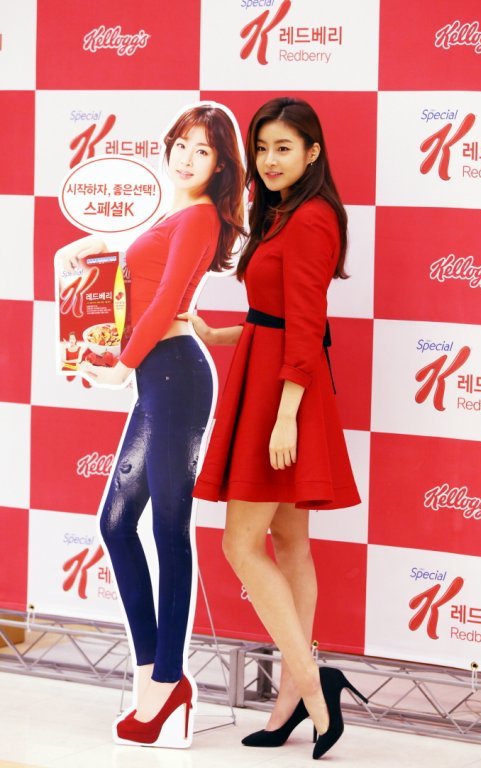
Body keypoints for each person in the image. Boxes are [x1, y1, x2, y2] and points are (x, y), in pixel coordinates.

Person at [181, 97, 366, 760]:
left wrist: (286, 414)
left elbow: (308, 326)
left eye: (283, 147)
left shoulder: (312, 217)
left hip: (284, 395)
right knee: (289, 542)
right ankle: (293, 698)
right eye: (261, 148)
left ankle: (313, 687)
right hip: (271, 379)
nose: (268, 160)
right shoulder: (281, 212)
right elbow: (274, 318)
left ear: (313, 152)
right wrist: (217, 334)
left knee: (240, 543)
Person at [55, 103, 245, 748]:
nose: (186, 158)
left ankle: (168, 681)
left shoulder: (201, 216)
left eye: (202, 151)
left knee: (168, 527)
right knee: (116, 523)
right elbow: (142, 281)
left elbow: (166, 299)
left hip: (175, 376)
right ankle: (153, 675)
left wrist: (121, 366)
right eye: (181, 145)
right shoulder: (175, 215)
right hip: (159, 377)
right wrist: (93, 249)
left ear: (220, 165)